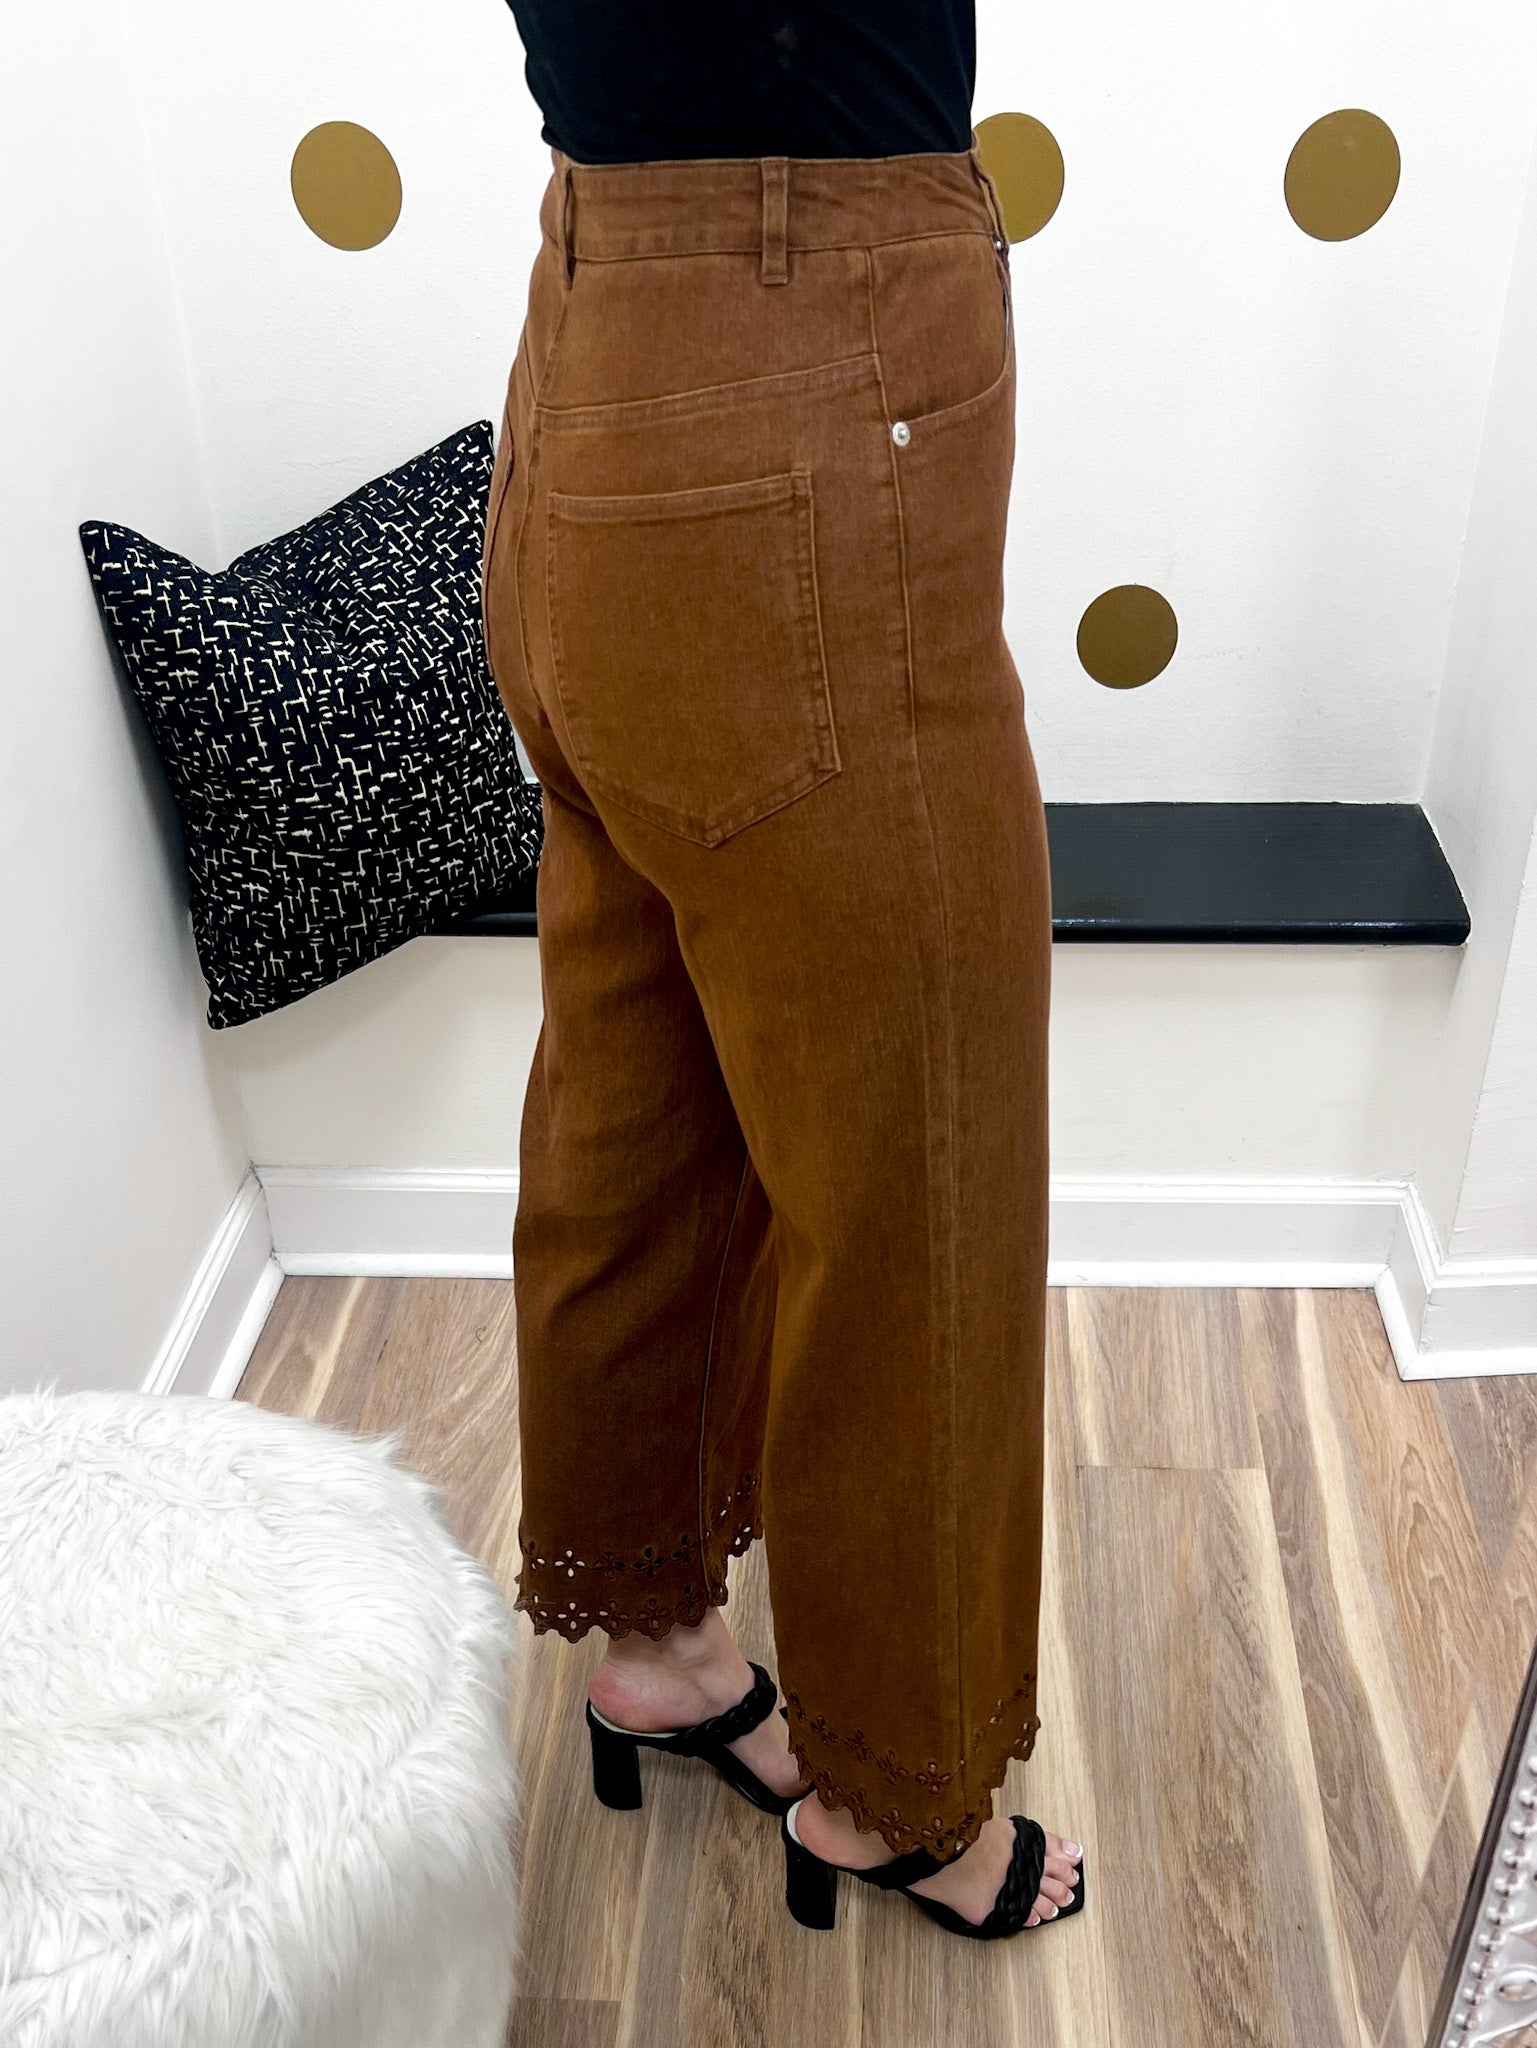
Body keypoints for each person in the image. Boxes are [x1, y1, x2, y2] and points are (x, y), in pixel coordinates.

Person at [481, 0, 1083, 1939]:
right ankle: (903, 1791)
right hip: (797, 347)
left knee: (633, 1087)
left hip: (585, 363)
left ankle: (658, 1641)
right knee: (918, 1163)